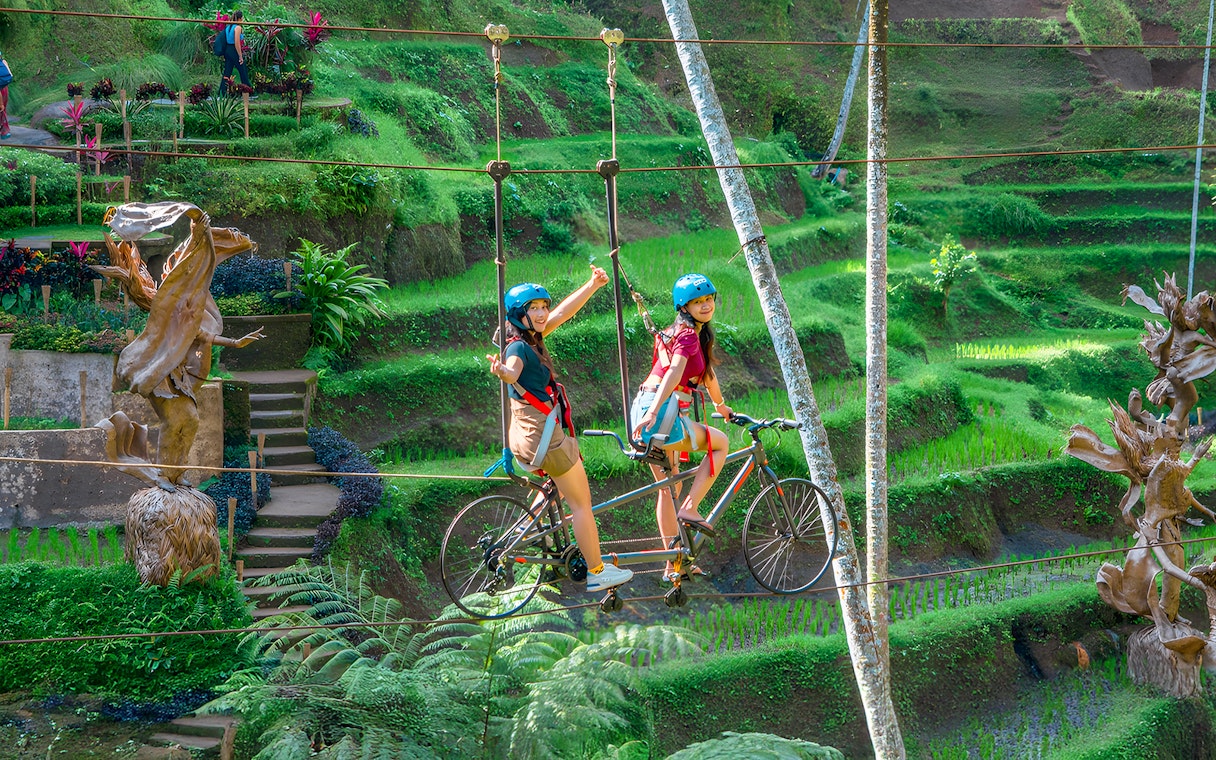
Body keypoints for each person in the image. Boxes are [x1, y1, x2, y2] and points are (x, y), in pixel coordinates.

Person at [486, 270, 633, 593]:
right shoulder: (517, 350)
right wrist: (504, 373)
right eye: (534, 308)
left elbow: (564, 312)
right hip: (546, 441)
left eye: (543, 306)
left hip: (528, 439)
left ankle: (527, 526)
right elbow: (512, 372)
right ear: (519, 314)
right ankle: (597, 571)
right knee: (582, 504)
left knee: (561, 488)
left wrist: (592, 286)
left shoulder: (530, 338)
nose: (541, 313)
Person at [631, 273, 732, 579]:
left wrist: (719, 405)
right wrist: (656, 412)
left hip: (647, 408)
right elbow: (674, 373)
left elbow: (707, 376)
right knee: (721, 443)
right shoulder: (687, 336)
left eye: (709, 299)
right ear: (684, 306)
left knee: (668, 488)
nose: (706, 305)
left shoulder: (680, 333)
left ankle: (673, 561)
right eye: (698, 301)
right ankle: (690, 507)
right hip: (662, 413)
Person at [220, 11, 251, 96]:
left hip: (227, 49)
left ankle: (221, 93)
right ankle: (248, 91)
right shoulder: (237, 27)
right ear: (240, 19)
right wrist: (240, 56)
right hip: (233, 49)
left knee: (227, 71)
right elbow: (237, 42)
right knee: (242, 69)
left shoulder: (228, 27)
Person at [0, 48, 12, 139]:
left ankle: (4, 132)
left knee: (1, 108)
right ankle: (4, 130)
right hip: (5, 88)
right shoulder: (4, 62)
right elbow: (10, 75)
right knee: (3, 109)